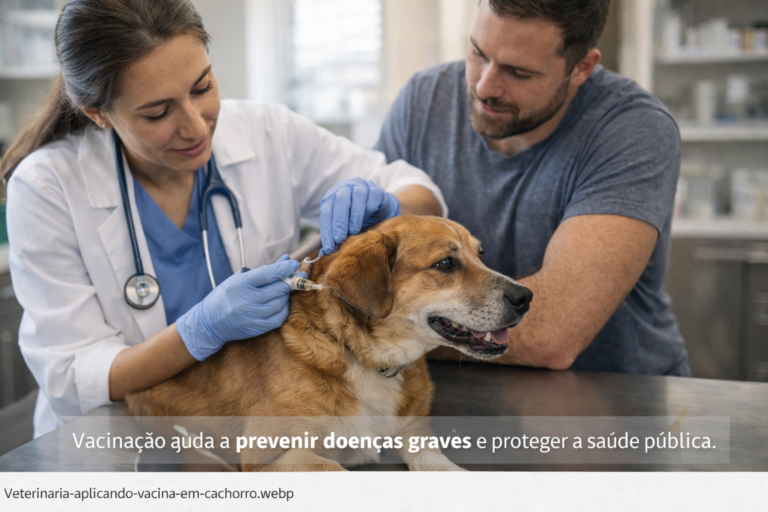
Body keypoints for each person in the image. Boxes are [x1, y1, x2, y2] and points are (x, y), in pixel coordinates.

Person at [1, 0, 446, 438]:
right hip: (122, 444)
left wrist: (388, 207)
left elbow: (417, 189)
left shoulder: (268, 132)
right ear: (97, 113)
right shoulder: (46, 187)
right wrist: (201, 330)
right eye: (158, 112)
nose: (196, 126)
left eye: (202, 87)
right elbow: (71, 376)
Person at [375, 0, 690, 375]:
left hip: (611, 401)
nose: (485, 86)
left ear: (581, 68)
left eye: (519, 72)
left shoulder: (631, 129)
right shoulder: (422, 103)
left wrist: (376, 332)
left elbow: (551, 333)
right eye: (478, 52)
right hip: (459, 389)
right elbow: (377, 266)